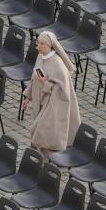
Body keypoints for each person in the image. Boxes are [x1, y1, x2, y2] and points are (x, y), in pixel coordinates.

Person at [22, 31, 81, 159]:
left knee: (41, 128)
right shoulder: (40, 56)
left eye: (42, 44)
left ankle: (45, 157)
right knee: (41, 129)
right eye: (38, 44)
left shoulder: (58, 64)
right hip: (40, 99)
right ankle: (43, 155)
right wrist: (28, 96)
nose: (39, 47)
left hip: (54, 102)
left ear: (50, 46)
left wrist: (46, 83)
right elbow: (34, 78)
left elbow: (62, 91)